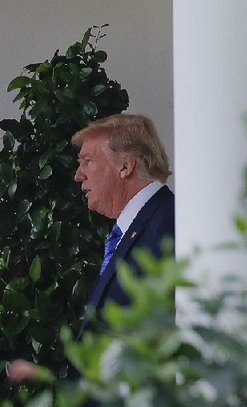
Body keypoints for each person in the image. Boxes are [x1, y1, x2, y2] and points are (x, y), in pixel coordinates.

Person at [72, 114, 175, 336]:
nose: (78, 175)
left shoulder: (168, 221)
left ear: (125, 167)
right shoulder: (135, 225)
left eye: (88, 161)